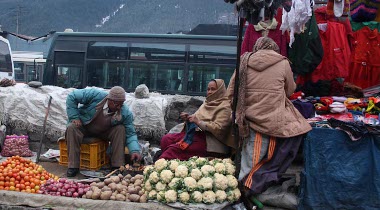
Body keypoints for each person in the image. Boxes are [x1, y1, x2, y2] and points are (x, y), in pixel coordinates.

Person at [227, 37, 311, 199]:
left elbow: (231, 91)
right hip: (272, 119)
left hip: (246, 119)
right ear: (274, 49)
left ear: (257, 47)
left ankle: (244, 191)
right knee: (261, 158)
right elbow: (290, 89)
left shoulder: (244, 62)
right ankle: (247, 192)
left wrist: (238, 111)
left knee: (248, 157)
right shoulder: (283, 62)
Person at [65, 86, 141, 177]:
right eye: (117, 104)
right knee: (71, 127)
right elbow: (71, 96)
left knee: (120, 129)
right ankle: (73, 166)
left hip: (104, 131)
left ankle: (117, 166)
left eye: (121, 104)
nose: (119, 107)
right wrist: (74, 117)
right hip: (85, 125)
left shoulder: (125, 113)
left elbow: (130, 133)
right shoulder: (95, 95)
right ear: (109, 99)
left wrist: (135, 150)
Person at [159, 79, 236, 160]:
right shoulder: (207, 103)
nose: (209, 92)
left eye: (213, 89)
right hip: (198, 136)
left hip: (211, 143)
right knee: (166, 140)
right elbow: (196, 119)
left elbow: (220, 129)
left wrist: (199, 122)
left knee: (173, 150)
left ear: (220, 90)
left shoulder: (226, 106)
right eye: (208, 89)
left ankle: (160, 166)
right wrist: (188, 119)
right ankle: (170, 165)